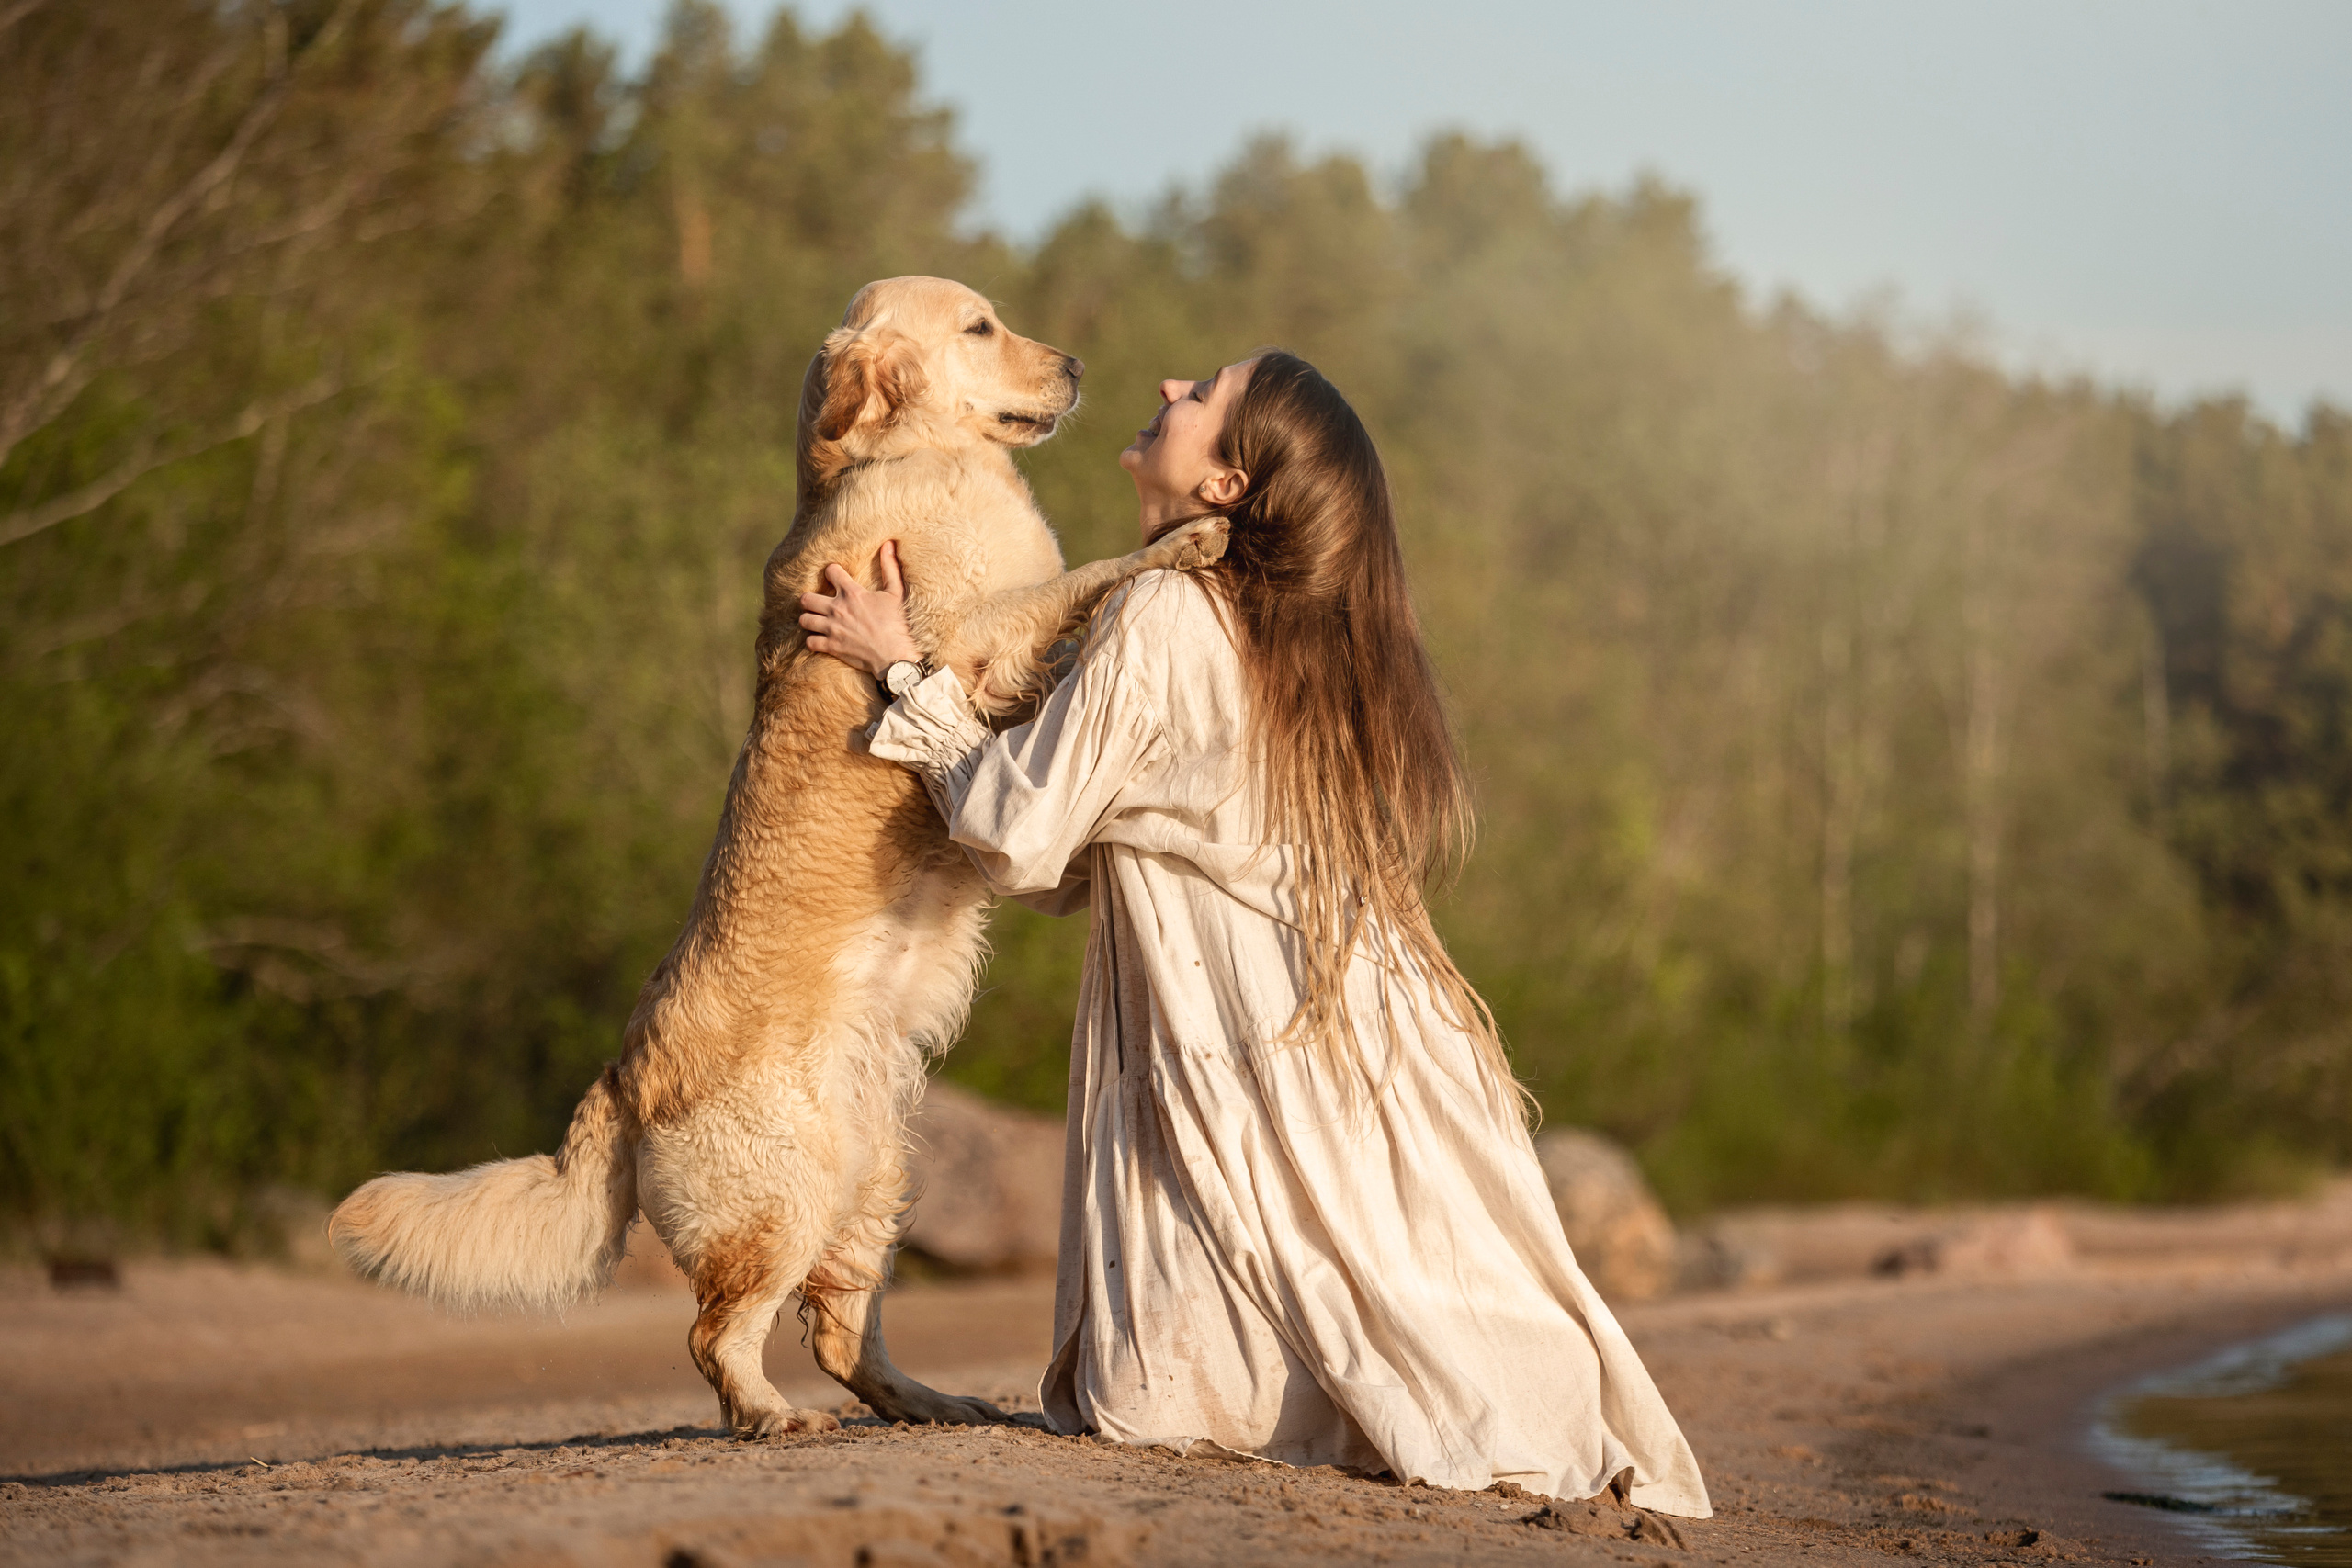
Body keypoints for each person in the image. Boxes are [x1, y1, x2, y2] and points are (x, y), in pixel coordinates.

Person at [797, 351, 1709, 1514]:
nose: (1171, 384)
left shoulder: (1171, 613)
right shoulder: (1262, 633)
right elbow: (1069, 854)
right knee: (1326, 1324)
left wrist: (899, 669)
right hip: (1304, 1017)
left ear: (1226, 486)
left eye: (1205, 396)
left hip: (1249, 1023)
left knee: (1165, 1390)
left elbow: (1023, 835)